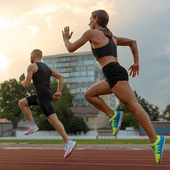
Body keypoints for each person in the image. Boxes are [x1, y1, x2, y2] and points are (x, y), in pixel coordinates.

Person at [62, 9, 166, 163]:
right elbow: (133, 42)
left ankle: (155, 139)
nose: (88, 22)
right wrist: (136, 62)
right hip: (113, 74)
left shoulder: (91, 33)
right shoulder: (112, 37)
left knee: (133, 106)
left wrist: (65, 38)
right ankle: (113, 115)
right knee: (89, 94)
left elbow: (70, 48)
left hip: (114, 73)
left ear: (96, 19)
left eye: (90, 19)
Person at [18, 49, 76, 158]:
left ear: (34, 56)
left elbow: (26, 84)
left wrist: (22, 80)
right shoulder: (48, 68)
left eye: (31, 56)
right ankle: (32, 125)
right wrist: (59, 91)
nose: (30, 58)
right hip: (42, 96)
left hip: (43, 97)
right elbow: (61, 77)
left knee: (53, 120)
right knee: (22, 103)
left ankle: (69, 142)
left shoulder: (32, 66)